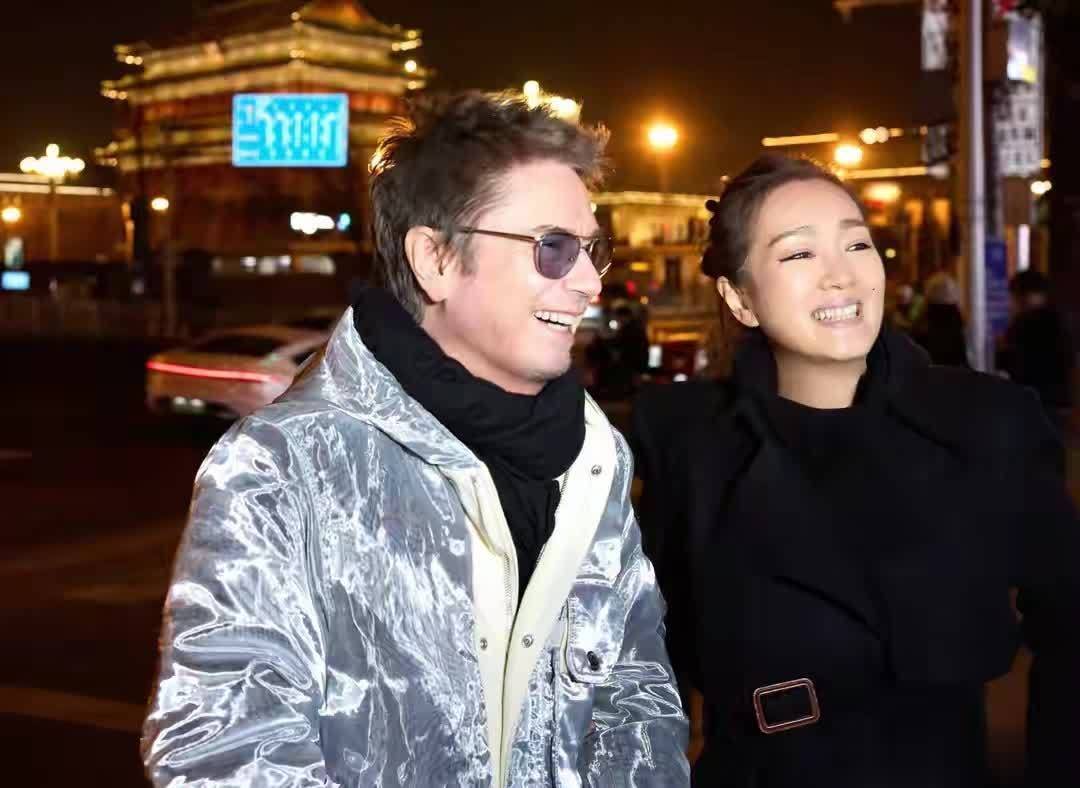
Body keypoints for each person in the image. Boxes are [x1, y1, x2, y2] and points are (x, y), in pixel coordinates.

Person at [142, 92, 689, 787]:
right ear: (434, 258)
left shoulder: (595, 456)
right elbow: (223, 751)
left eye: (592, 250)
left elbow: (637, 694)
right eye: (553, 248)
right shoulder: (286, 464)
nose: (588, 282)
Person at [632, 154, 1079, 787]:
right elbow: (649, 674)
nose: (840, 275)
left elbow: (1069, 628)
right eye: (799, 254)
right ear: (740, 298)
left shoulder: (986, 424)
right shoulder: (690, 446)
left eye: (857, 244)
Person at [997, 268, 1075, 433]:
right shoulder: (1059, 319)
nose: (1013, 302)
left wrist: (1003, 351)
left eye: (1015, 296)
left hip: (1034, 401)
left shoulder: (1024, 324)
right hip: (1055, 400)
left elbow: (1013, 363)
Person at [912, 270, 970, 367]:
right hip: (952, 371)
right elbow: (962, 356)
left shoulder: (924, 321)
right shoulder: (956, 319)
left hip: (930, 371)